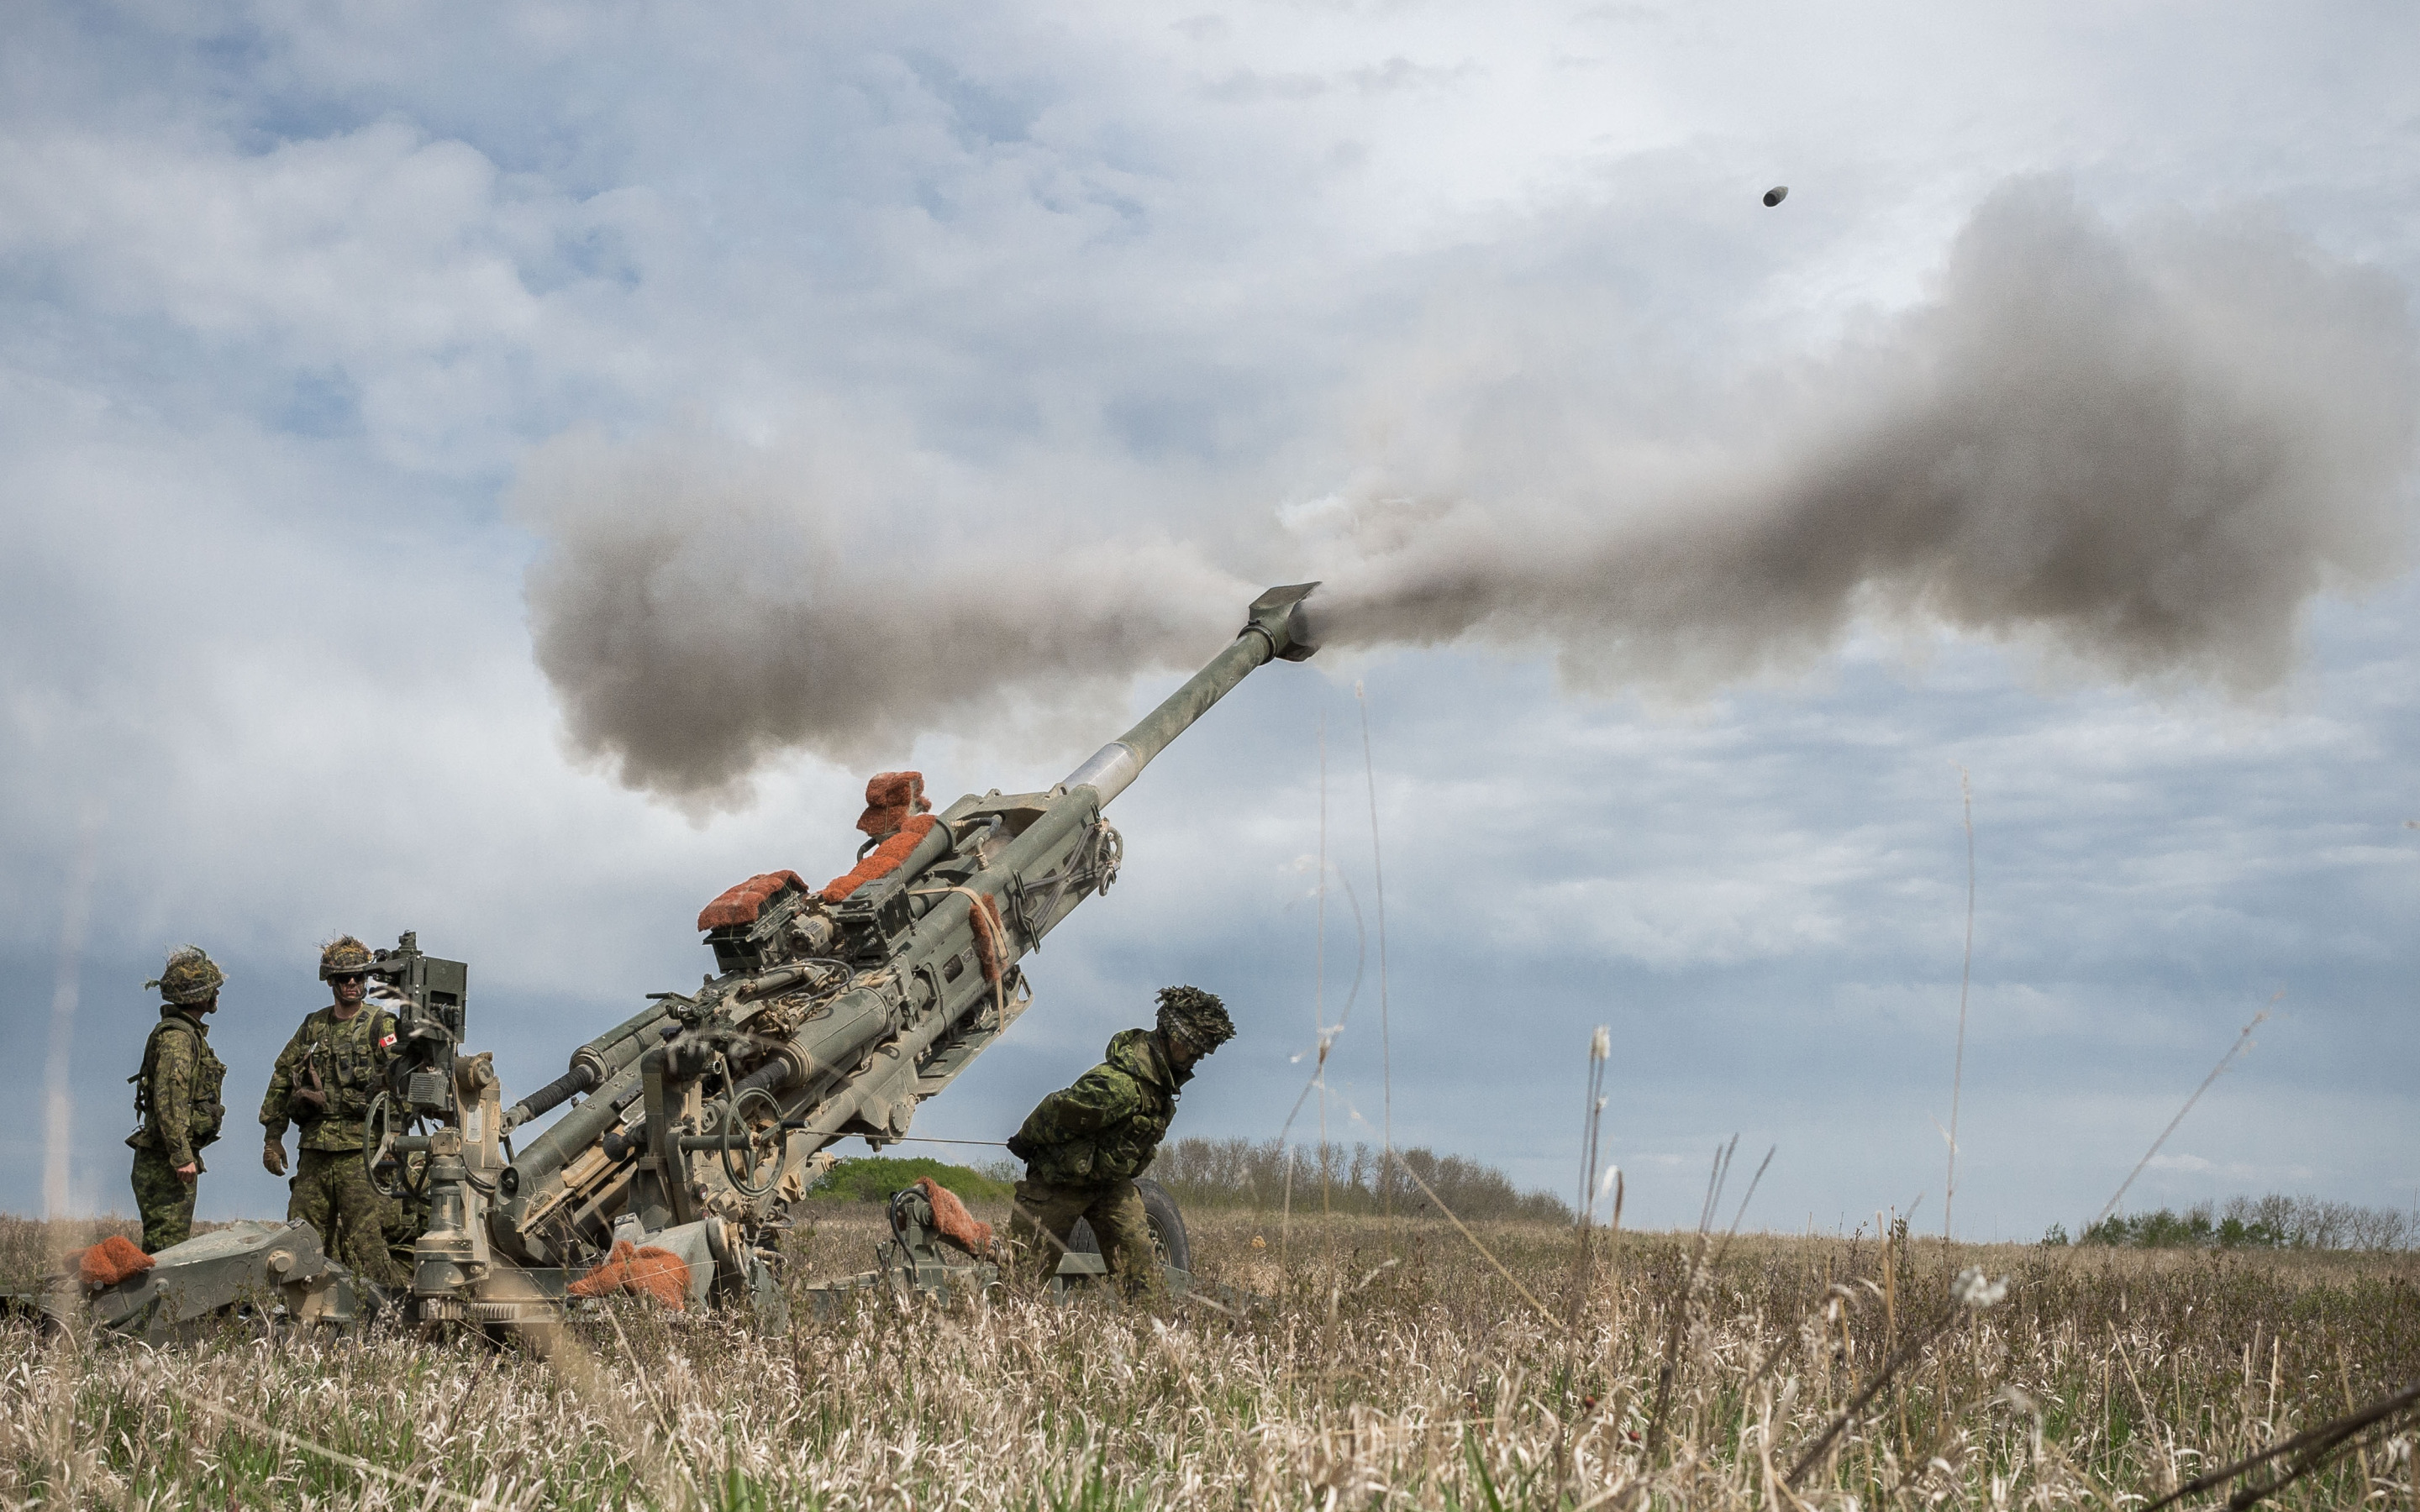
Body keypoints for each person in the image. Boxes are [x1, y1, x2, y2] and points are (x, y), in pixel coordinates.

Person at [1005, 984, 1234, 1299]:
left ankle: (1148, 1340)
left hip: (1110, 1186)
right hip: (1057, 1184)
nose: (1196, 1057)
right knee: (1021, 1285)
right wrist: (1023, 1141)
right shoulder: (1119, 1087)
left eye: (1202, 1051)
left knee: (1143, 1284)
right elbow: (1055, 1112)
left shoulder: (1159, 1089)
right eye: (1191, 1047)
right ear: (1169, 1035)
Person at [260, 936, 407, 1289]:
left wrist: (397, 1141)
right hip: (314, 1151)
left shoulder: (381, 1025)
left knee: (365, 1243)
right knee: (302, 1237)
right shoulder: (314, 1026)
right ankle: (300, 1315)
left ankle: (380, 1320)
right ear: (331, 982)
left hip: (362, 1154)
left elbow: (405, 1083)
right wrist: (272, 1137)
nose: (353, 984)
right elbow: (283, 1076)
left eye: (359, 977)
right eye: (344, 979)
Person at [126, 947, 229, 1253]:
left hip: (168, 1157)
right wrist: (181, 1155)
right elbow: (170, 1097)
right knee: (165, 1253)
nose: (216, 995)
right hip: (165, 1161)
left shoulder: (187, 1035)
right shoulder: (178, 1039)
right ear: (197, 995)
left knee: (166, 1249)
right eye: (211, 989)